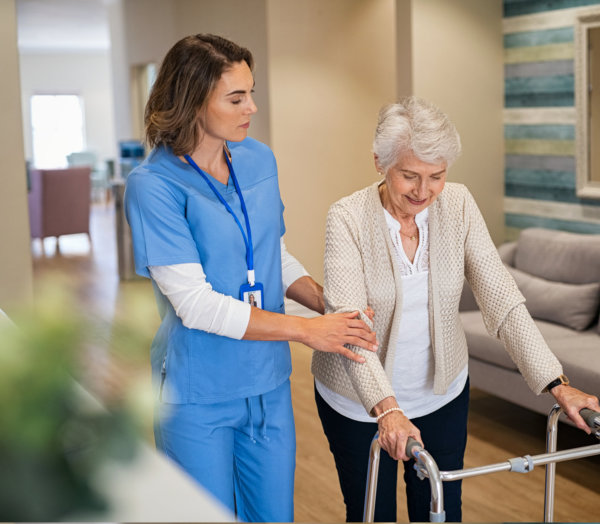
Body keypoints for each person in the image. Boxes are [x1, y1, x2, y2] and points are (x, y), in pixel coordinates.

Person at [124, 34, 378, 523]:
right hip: (198, 392)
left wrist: (325, 303)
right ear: (193, 100)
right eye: (236, 98)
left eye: (251, 92)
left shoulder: (259, 159)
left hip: (267, 384)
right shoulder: (152, 186)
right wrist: (308, 330)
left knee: (273, 516)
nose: (252, 108)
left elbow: (270, 254)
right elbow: (194, 303)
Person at [311, 96, 600, 522]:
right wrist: (388, 410)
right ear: (379, 162)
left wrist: (557, 383)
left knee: (442, 512)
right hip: (358, 401)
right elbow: (352, 328)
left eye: (437, 176)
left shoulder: (459, 205)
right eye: (409, 176)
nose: (423, 192)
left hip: (440, 393)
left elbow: (502, 299)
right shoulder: (348, 218)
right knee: (373, 514)